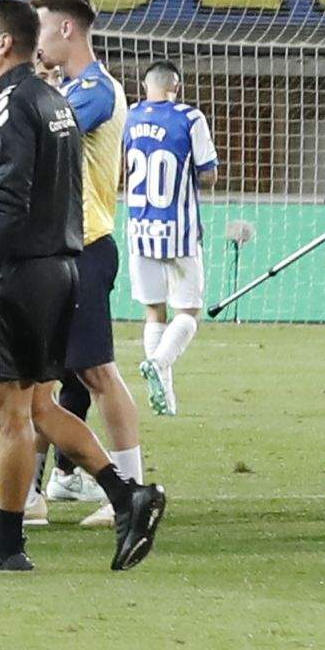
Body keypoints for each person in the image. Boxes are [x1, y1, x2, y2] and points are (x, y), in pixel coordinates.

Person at [0, 0, 163, 572]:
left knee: (7, 414)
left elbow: (8, 198)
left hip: (20, 273)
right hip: (62, 265)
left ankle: (7, 543)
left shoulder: (13, 106)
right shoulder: (53, 101)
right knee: (39, 406)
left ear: (4, 43)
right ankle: (127, 496)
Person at [32, 0, 152, 524]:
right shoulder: (69, 88)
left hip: (86, 247)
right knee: (36, 381)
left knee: (98, 372)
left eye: (40, 28)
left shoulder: (97, 91)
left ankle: (130, 487)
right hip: (55, 251)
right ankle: (28, 494)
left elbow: (42, 132)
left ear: (65, 29)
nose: (36, 41)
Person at [119, 62, 219, 415]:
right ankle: (159, 363)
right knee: (188, 311)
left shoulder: (130, 116)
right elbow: (208, 175)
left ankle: (164, 393)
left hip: (139, 229)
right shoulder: (190, 118)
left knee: (154, 311)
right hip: (179, 231)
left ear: (145, 85)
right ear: (176, 86)